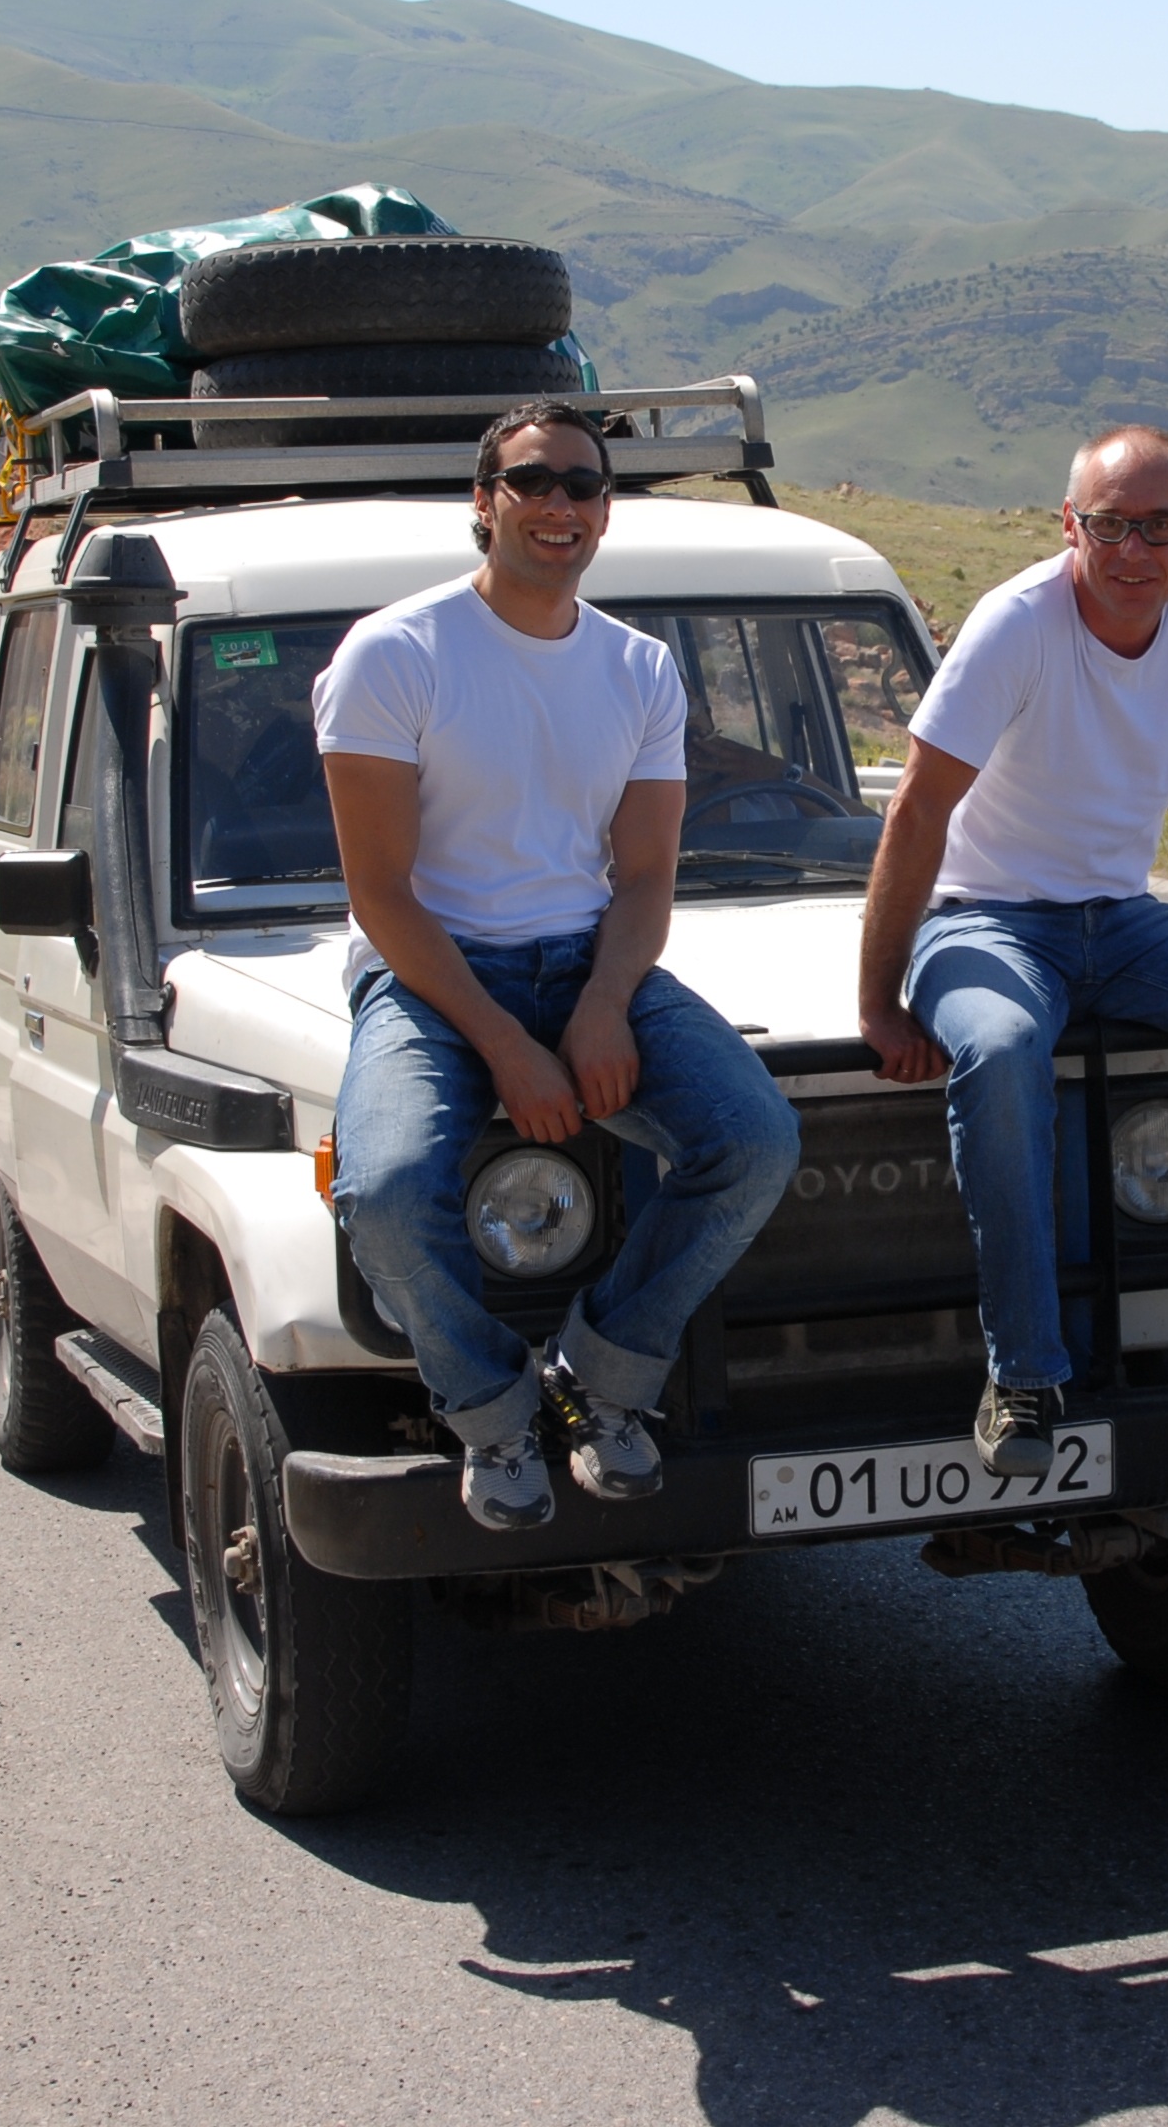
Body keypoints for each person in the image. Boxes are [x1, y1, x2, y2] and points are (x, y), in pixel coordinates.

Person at [316, 400, 801, 1530]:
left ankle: (602, 1374)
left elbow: (641, 881)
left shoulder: (638, 671)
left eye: (583, 486)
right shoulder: (393, 653)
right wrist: (507, 1048)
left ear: (605, 511)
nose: (559, 506)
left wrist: (599, 1007)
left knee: (755, 1138)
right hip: (432, 976)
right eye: (531, 482)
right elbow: (381, 896)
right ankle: (489, 1411)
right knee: (380, 1192)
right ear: (482, 504)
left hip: (588, 954)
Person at [857, 425, 1168, 1477]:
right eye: (1107, 526)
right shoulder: (1017, 625)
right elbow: (916, 812)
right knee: (999, 1053)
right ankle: (1027, 1373)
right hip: (986, 917)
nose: (1132, 552)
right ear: (1069, 525)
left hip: (1122, 920)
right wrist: (879, 999)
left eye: (1158, 527)